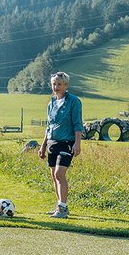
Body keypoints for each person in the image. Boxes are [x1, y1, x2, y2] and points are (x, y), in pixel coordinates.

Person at [37, 71, 83, 218]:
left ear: (66, 85)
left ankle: (62, 209)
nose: (56, 87)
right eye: (54, 84)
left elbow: (78, 124)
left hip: (67, 142)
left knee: (59, 174)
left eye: (59, 84)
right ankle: (60, 205)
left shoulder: (73, 101)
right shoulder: (51, 103)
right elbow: (49, 126)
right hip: (52, 142)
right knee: (53, 175)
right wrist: (43, 146)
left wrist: (77, 144)